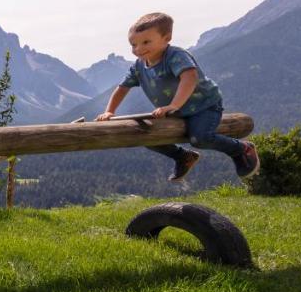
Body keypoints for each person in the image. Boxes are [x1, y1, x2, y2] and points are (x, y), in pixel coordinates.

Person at [97, 12, 259, 182]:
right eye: (133, 44)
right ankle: (182, 156)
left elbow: (189, 78)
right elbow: (122, 88)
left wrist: (173, 105)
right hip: (175, 110)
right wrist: (109, 111)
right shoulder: (138, 66)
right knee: (144, 134)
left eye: (146, 42)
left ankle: (241, 149)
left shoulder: (175, 56)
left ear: (166, 38)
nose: (138, 49)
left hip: (203, 106)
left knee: (200, 138)